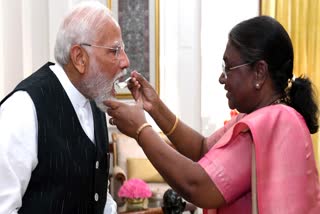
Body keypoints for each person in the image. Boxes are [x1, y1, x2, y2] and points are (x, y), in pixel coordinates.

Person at [105, 16, 320, 213]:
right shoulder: (256, 116)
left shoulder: (274, 121)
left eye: (229, 68)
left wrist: (142, 131)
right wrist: (156, 107)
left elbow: (197, 185)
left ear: (259, 72)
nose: (221, 78)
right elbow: (202, 148)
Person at [0, 1, 129, 214]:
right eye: (114, 50)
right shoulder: (23, 109)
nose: (125, 61)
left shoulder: (95, 100)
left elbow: (98, 195)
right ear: (79, 58)